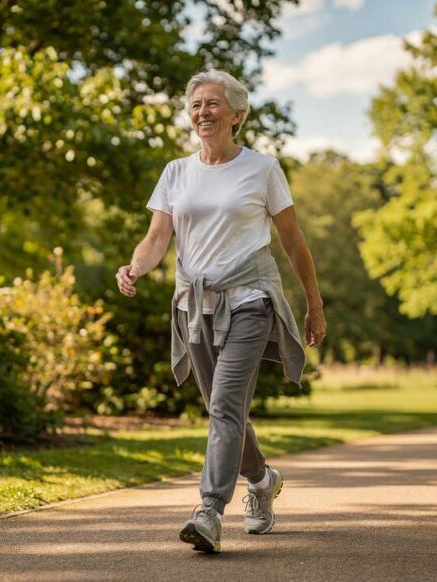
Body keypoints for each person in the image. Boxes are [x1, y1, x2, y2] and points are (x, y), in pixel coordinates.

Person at [115, 70, 326, 554]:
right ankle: (261, 478)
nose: (202, 112)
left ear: (236, 114)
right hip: (195, 307)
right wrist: (135, 267)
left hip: (251, 301)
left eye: (212, 104)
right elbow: (157, 238)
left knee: (226, 405)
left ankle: (208, 509)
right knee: (220, 410)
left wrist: (314, 306)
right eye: (195, 105)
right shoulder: (175, 172)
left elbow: (292, 242)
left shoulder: (263, 169)